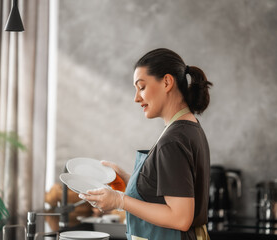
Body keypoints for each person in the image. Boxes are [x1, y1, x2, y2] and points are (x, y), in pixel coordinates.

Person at [79, 48, 212, 240]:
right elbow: (169, 192)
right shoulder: (189, 128)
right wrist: (127, 180)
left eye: (141, 87)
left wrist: (119, 201)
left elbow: (180, 218)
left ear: (167, 82)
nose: (136, 98)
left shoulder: (173, 140)